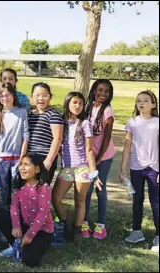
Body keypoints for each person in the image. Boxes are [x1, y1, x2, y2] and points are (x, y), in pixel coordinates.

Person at [51, 92, 102, 247]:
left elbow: (89, 150)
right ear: (67, 103)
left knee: (79, 200)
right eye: (74, 102)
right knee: (55, 198)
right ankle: (65, 223)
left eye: (80, 103)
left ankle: (77, 230)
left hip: (82, 168)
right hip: (67, 168)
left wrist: (94, 173)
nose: (77, 106)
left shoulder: (85, 123)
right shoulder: (62, 122)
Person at [0, 153, 54, 267]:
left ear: (37, 169)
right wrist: (16, 225)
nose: (21, 167)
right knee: (0, 214)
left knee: (30, 261)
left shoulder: (44, 188)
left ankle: (27, 246)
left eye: (26, 165)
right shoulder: (19, 185)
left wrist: (30, 235)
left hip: (41, 230)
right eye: (21, 164)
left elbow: (42, 214)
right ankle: (15, 245)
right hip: (25, 224)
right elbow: (14, 206)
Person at [120, 90, 159, 252]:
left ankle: (158, 235)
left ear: (153, 105)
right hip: (136, 168)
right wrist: (123, 167)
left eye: (145, 100)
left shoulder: (157, 122)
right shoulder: (132, 122)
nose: (141, 103)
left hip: (155, 168)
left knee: (156, 202)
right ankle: (136, 231)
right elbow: (128, 145)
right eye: (138, 101)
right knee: (137, 200)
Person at [83, 79, 116, 240]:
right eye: (100, 90)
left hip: (103, 157)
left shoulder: (107, 111)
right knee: (86, 190)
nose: (103, 94)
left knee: (100, 189)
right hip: (89, 156)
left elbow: (107, 139)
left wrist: (98, 159)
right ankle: (84, 222)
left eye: (106, 91)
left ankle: (101, 225)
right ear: (94, 90)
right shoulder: (88, 107)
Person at [0, 83, 29, 209]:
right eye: (1, 96)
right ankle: (2, 216)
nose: (5, 98)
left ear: (13, 95)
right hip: (1, 159)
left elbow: (25, 136)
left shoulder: (21, 112)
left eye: (8, 95)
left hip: (17, 158)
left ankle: (16, 218)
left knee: (16, 190)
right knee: (2, 192)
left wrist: (22, 158)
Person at [27, 82, 63, 184]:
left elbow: (58, 139)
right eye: (37, 95)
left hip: (44, 158)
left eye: (44, 95)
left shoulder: (53, 115)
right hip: (29, 159)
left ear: (50, 97)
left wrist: (48, 161)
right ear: (32, 97)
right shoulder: (29, 114)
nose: (40, 99)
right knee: (28, 191)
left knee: (41, 191)